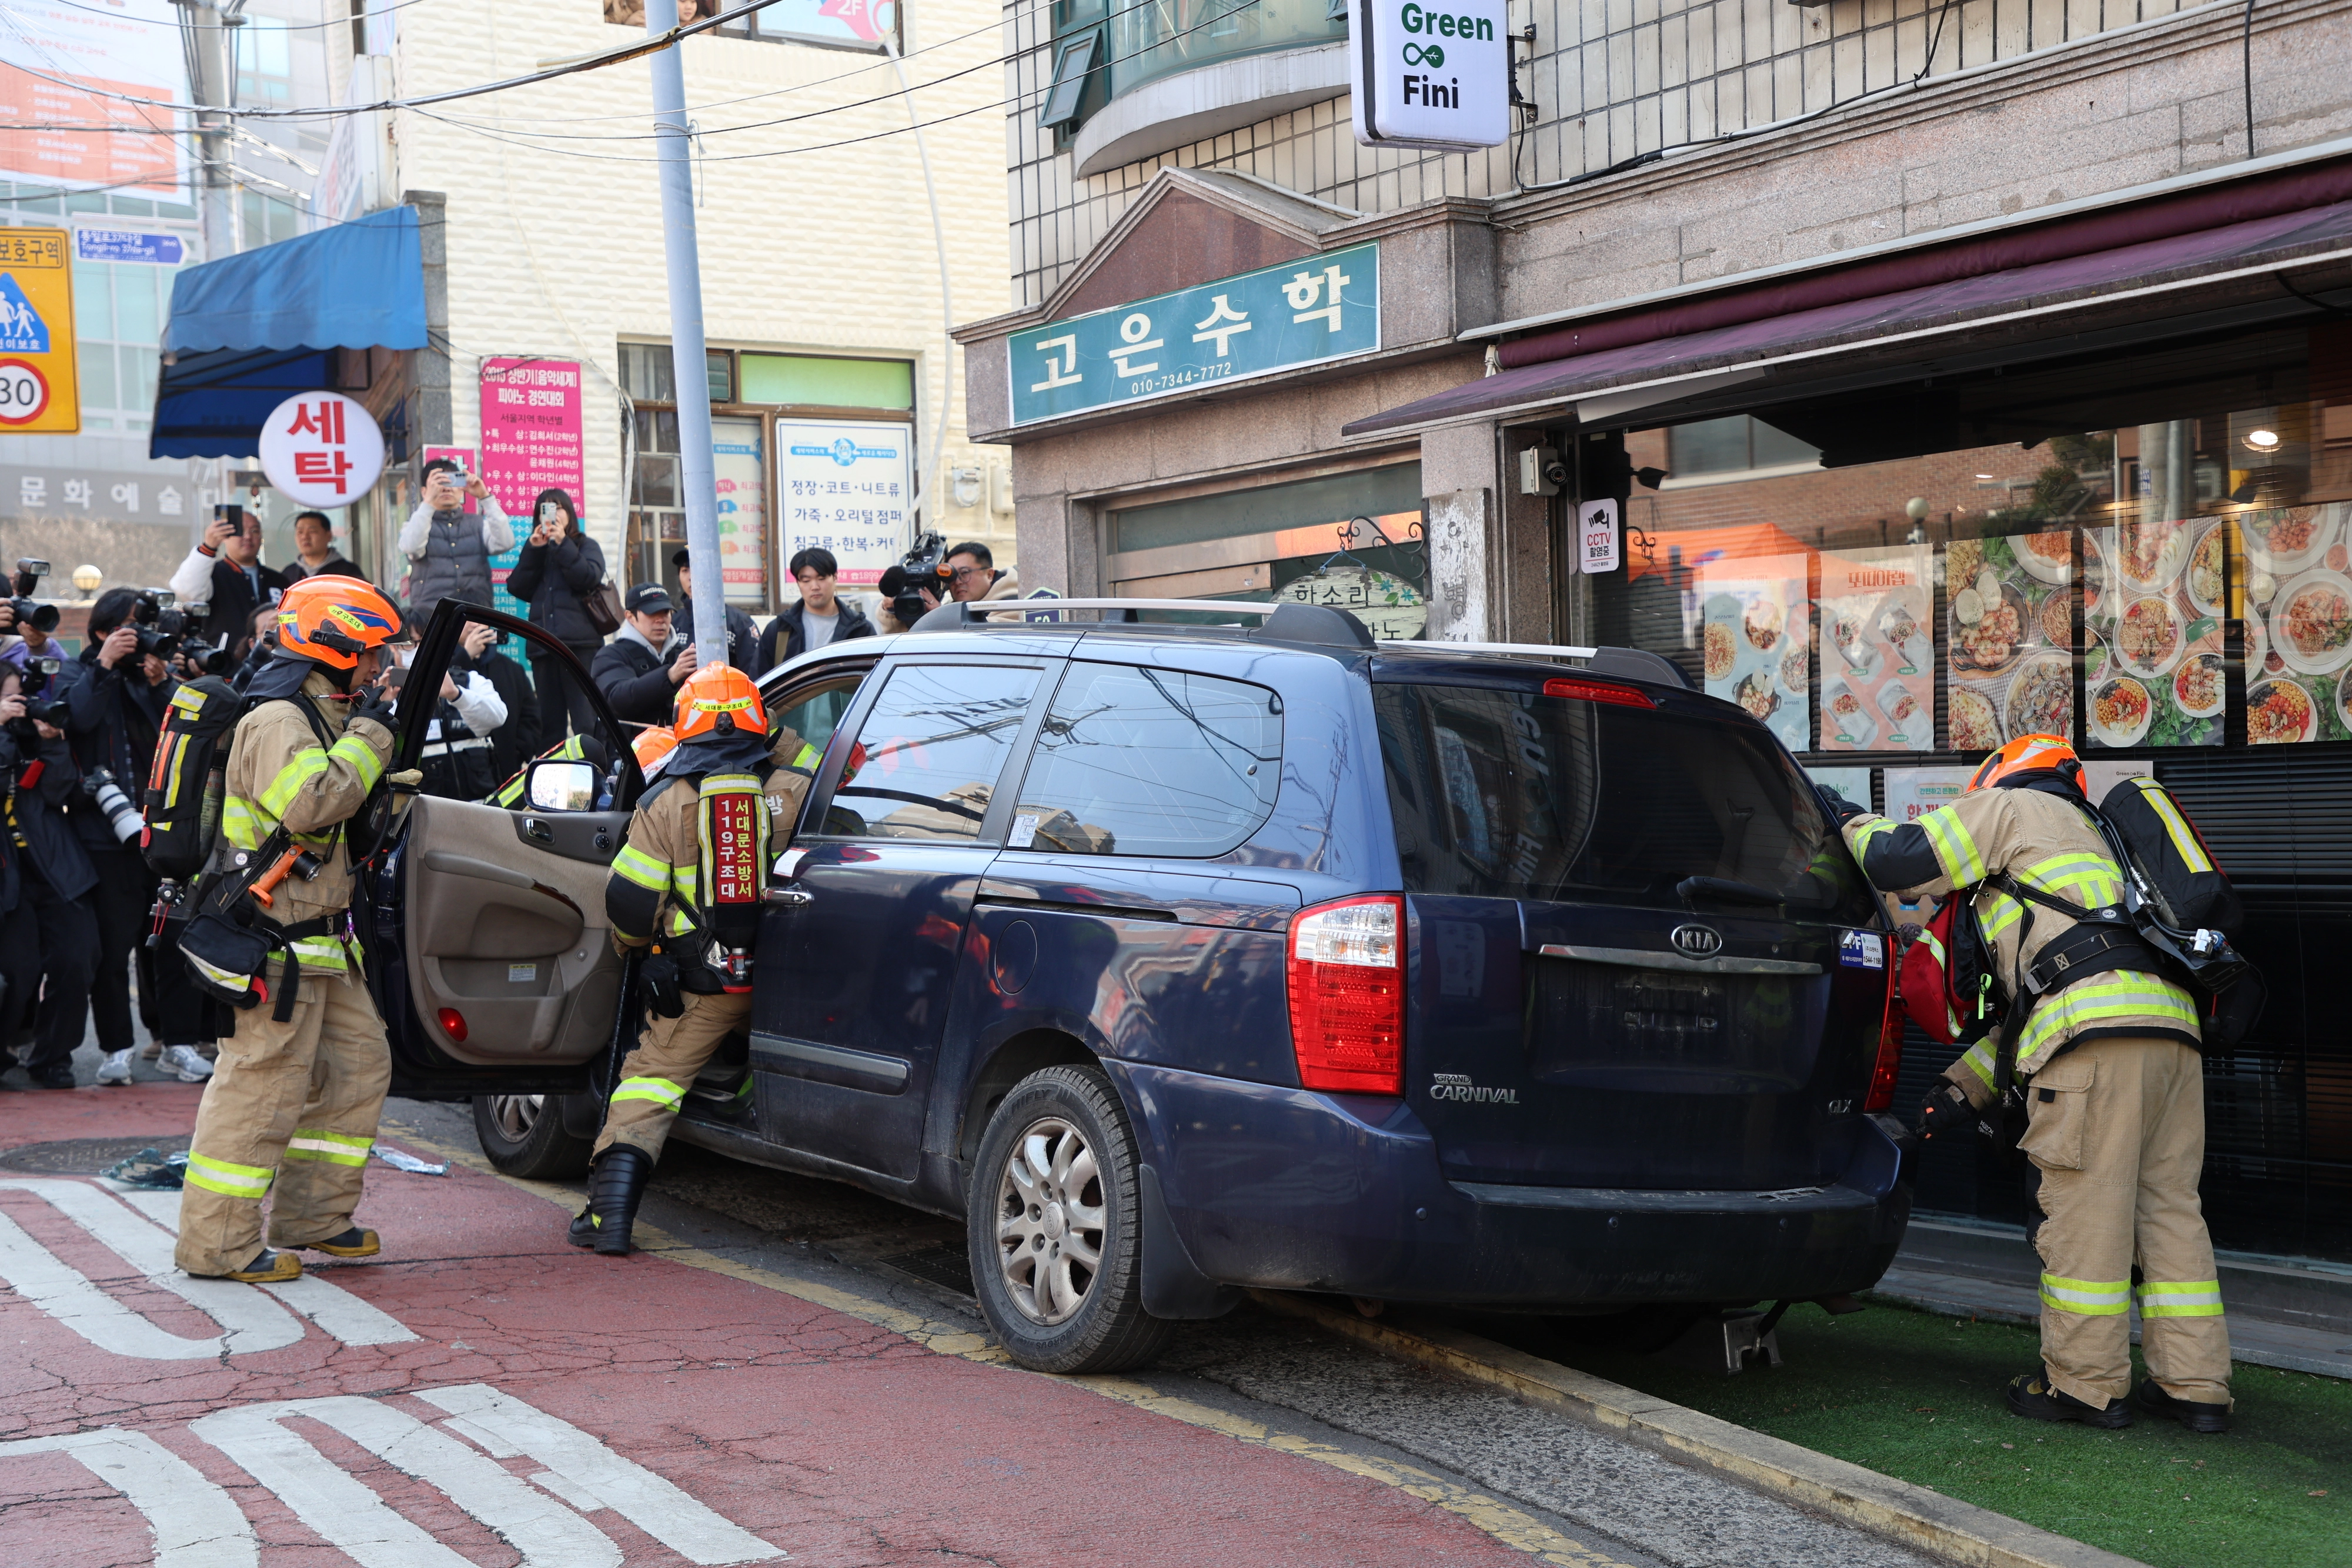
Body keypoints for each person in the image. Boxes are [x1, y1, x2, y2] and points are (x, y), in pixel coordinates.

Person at [1833, 735, 2229, 1434]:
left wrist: (1844, 819)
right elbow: (2027, 1024)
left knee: (2084, 1214)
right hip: (2172, 1035)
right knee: (2169, 1211)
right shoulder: (2107, 844)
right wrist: (1944, 1100)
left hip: (2093, 1040)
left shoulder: (2012, 810)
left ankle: (2082, 1386)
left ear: (2003, 776)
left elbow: (1898, 859)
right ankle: (2194, 1386)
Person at [173, 576, 405, 1286]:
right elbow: (311, 805)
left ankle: (312, 1218)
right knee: (262, 1088)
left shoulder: (325, 716)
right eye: (372, 653)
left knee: (357, 1067)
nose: (379, 667)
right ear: (335, 648)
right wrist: (374, 735)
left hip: (323, 941)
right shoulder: (278, 719)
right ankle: (218, 1245)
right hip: (274, 939)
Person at [569, 663, 813, 1254]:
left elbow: (631, 904)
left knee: (651, 1081)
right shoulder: (800, 788)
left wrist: (642, 952)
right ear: (759, 721)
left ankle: (608, 1216)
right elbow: (842, 779)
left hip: (706, 984)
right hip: (795, 983)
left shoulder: (666, 801)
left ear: (684, 725)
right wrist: (778, 738)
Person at [67, 589, 215, 1085]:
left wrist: (159, 684)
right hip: (105, 837)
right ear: (102, 631)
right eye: (129, 626)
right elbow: (79, 719)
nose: (139, 635)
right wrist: (105, 665)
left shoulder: (152, 676)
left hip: (164, 834)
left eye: (143, 626)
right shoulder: (82, 671)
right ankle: (116, 1049)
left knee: (173, 941)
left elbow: (186, 734)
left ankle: (179, 1044)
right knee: (113, 950)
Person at [0, 663, 98, 1088]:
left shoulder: (32, 737)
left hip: (56, 868)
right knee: (17, 973)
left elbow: (59, 791)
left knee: (78, 961)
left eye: (21, 697)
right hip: (9, 881)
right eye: (9, 698)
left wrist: (52, 742)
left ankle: (53, 1057)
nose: (19, 706)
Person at [505, 487, 608, 748]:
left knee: (587, 720)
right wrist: (534, 550)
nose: (553, 514)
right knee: (549, 726)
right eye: (546, 509)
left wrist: (563, 544)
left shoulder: (585, 545)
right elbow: (517, 587)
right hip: (544, 647)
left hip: (581, 647)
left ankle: (596, 768)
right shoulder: (537, 550)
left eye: (558, 507)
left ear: (570, 513)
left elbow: (588, 578)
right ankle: (551, 771)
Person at [394, 619, 510, 800]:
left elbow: (499, 716)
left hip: (480, 803)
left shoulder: (468, 680)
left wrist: (456, 695)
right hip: (428, 809)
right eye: (409, 644)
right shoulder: (389, 694)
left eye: (426, 641)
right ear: (394, 648)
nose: (419, 649)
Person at [400, 458, 514, 625]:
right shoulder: (416, 525)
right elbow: (411, 547)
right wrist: (428, 503)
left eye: (452, 482)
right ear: (425, 492)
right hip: (431, 619)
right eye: (439, 484)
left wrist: (485, 497)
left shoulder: (478, 523)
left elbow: (505, 543)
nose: (446, 488)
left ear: (462, 489)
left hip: (475, 617)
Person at [169, 509, 288, 644]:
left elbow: (292, 618)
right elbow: (188, 591)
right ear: (226, 536)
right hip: (224, 656)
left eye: (255, 531)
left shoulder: (278, 580)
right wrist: (208, 547)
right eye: (240, 531)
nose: (248, 536)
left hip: (271, 655)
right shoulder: (210, 573)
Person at [590, 584, 697, 728]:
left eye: (666, 612)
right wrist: (670, 676)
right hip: (631, 742)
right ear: (630, 617)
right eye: (652, 613)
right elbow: (616, 701)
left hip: (681, 742)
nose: (660, 620)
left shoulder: (684, 655)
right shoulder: (611, 655)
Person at [756, 546, 876, 668]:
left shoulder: (861, 629)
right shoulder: (780, 629)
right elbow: (760, 677)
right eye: (806, 581)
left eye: (821, 579)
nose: (815, 587)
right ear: (798, 583)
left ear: (835, 577)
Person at [466, 626, 541, 790]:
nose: (474, 627)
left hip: (506, 771)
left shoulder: (511, 668)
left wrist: (518, 752)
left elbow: (531, 717)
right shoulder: (446, 666)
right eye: (468, 621)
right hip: (462, 775)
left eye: (480, 621)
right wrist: (465, 657)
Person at [668, 549, 761, 674]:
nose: (691, 577)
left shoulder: (738, 622)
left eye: (697, 569)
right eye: (685, 571)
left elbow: (755, 670)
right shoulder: (674, 623)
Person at [279, 511, 367, 584]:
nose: (305, 537)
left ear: (329, 536)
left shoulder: (348, 572)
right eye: (300, 532)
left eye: (312, 531)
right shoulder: (289, 573)